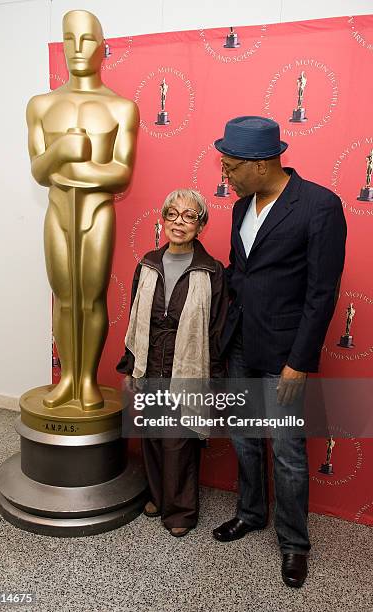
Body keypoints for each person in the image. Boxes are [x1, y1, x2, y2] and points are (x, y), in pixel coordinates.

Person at [212, 116, 347, 587]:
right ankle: (251, 514)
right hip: (241, 344)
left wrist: (299, 363)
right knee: (245, 439)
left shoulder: (319, 206)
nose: (224, 174)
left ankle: (294, 543)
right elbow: (240, 271)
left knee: (288, 453)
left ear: (261, 163)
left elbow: (321, 293)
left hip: (285, 352)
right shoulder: (239, 208)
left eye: (230, 167)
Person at [27, 10, 139, 410]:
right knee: (64, 296)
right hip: (58, 211)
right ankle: (68, 378)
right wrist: (60, 151)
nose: (78, 49)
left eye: (87, 39)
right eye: (69, 39)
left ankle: (87, 380)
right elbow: (40, 171)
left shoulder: (121, 108)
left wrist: (79, 165)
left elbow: (121, 174)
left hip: (96, 213)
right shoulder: (41, 105)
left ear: (103, 47)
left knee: (91, 297)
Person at [117, 189, 228, 537]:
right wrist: (132, 365)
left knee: (178, 439)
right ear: (163, 219)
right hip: (151, 362)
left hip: (188, 367)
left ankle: (180, 510)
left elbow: (217, 328)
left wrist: (215, 379)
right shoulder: (148, 263)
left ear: (201, 225)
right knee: (151, 434)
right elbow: (136, 318)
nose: (179, 222)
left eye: (189, 215)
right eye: (173, 214)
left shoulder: (211, 270)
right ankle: (156, 495)